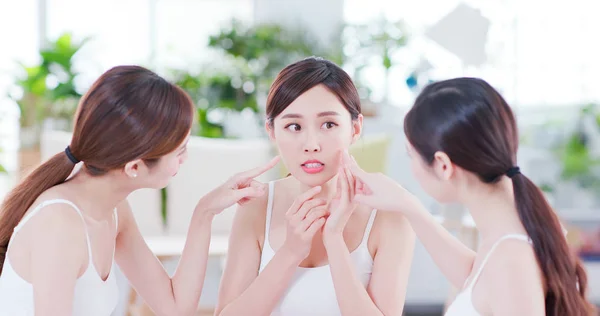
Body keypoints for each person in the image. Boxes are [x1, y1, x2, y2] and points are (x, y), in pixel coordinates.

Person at [0, 65, 279, 316]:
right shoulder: (60, 224)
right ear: (134, 167)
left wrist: (204, 212)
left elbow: (175, 308)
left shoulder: (113, 209)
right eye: (180, 151)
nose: (185, 159)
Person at [346, 77, 595, 315]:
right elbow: (474, 280)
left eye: (412, 155)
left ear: (443, 165)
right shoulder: (506, 238)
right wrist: (407, 204)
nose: (412, 165)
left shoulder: (511, 260)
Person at [215, 57, 415, 316]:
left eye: (328, 125)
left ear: (355, 128)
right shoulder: (256, 207)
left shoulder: (390, 216)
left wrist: (334, 239)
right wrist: (290, 253)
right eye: (294, 126)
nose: (311, 144)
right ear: (272, 131)